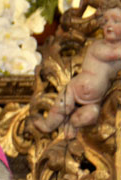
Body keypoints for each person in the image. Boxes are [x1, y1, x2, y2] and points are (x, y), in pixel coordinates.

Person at [34, 3, 121, 136]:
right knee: (61, 107)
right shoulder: (99, 46)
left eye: (115, 21)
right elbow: (113, 54)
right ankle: (48, 125)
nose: (109, 25)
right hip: (75, 89)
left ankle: (72, 123)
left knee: (91, 115)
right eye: (105, 21)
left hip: (95, 101)